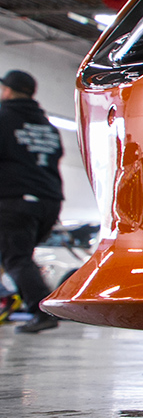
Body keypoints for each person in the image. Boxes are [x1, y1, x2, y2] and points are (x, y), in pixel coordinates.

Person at [0, 70, 63, 333]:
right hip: (49, 201)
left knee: (16, 258)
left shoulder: (3, 117)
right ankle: (26, 304)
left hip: (16, 200)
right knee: (16, 256)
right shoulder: (45, 124)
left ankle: (42, 310)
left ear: (8, 90)